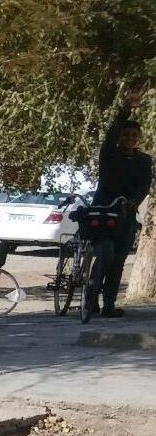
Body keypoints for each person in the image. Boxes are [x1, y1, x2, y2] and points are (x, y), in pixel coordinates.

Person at [90, 97, 152, 319]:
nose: (130, 139)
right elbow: (112, 132)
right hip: (103, 212)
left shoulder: (144, 161)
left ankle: (108, 305)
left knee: (118, 261)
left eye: (134, 136)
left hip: (126, 214)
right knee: (104, 253)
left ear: (139, 139)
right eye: (126, 135)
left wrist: (134, 201)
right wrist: (125, 110)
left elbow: (145, 184)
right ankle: (90, 301)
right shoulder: (109, 154)